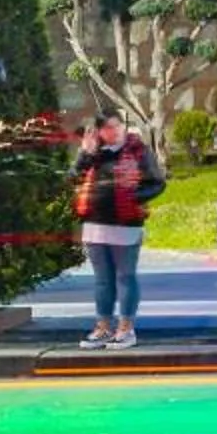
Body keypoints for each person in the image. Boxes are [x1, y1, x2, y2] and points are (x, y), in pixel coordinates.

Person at [72, 111, 166, 350]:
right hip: (95, 224)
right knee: (103, 281)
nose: (113, 132)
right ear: (99, 131)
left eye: (117, 126)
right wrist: (85, 153)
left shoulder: (139, 151)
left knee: (125, 277)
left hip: (126, 225)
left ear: (124, 126)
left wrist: (133, 197)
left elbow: (157, 182)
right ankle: (103, 326)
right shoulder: (94, 153)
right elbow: (73, 178)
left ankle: (126, 328)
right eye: (107, 128)